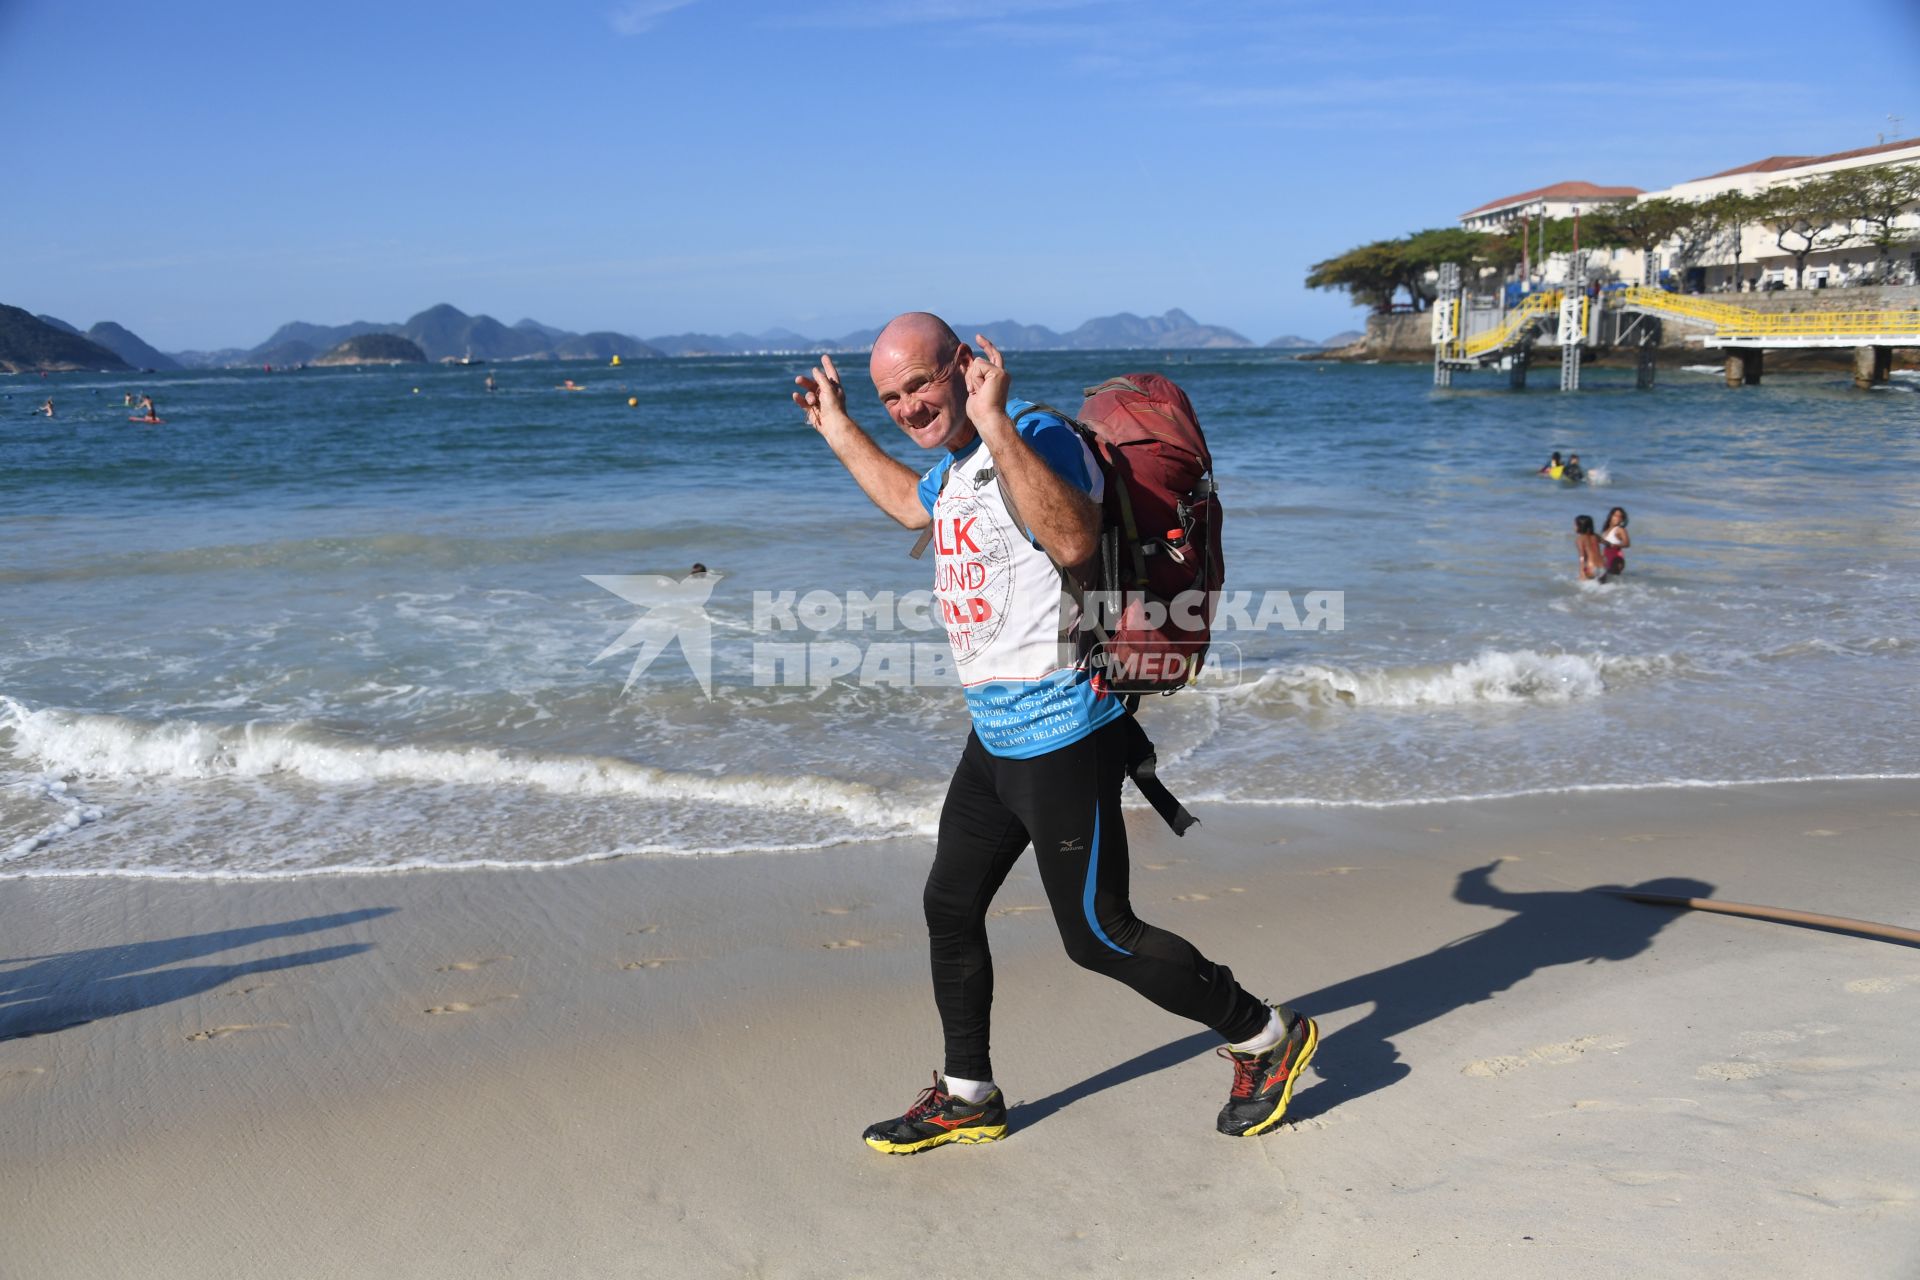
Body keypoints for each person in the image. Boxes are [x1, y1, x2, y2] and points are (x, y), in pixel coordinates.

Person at [791, 313, 1315, 1154]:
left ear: (965, 365)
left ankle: (1264, 1035)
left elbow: (1073, 538)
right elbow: (905, 504)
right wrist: (838, 426)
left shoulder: (1034, 436)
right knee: (950, 905)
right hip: (995, 734)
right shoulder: (957, 465)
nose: (909, 407)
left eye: (921, 383)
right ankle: (969, 1094)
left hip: (1065, 729)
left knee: (1101, 936)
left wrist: (996, 421)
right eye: (893, 396)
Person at [1574, 514, 1608, 581]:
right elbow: (1608, 544)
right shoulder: (1595, 536)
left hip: (1591, 568)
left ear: (1579, 526)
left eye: (1575, 525)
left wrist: (1582, 572)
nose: (1574, 527)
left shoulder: (1580, 539)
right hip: (1603, 567)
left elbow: (1582, 556)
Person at [1600, 507, 1630, 577]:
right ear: (1611, 516)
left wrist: (1615, 545)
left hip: (1616, 559)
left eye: (1620, 517)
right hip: (1607, 558)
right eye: (1616, 516)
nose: (1618, 518)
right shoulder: (1606, 530)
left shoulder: (1620, 529)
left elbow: (1627, 544)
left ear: (1622, 519)